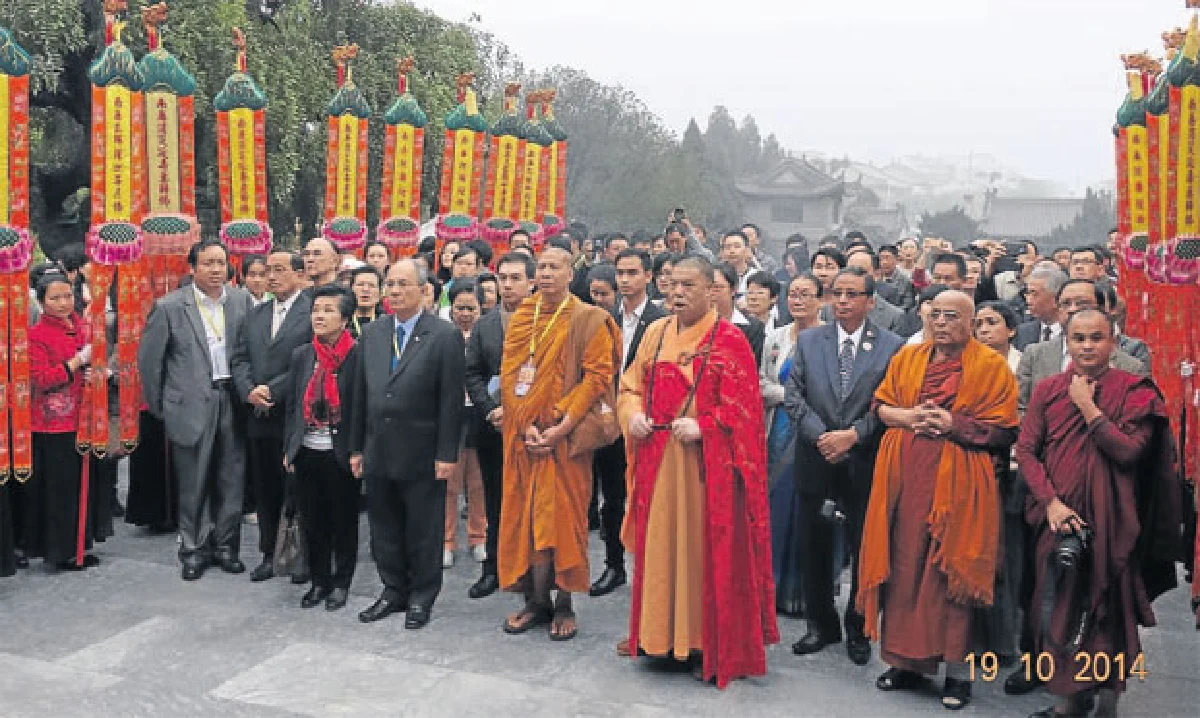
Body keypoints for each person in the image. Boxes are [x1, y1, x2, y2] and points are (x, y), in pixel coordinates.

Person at [616, 254, 779, 687]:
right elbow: (629, 387)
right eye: (673, 284)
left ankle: (700, 642)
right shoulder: (655, 333)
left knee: (698, 553)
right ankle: (658, 637)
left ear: (712, 291)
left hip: (705, 470)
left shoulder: (730, 340)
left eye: (688, 286)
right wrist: (633, 415)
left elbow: (745, 411)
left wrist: (705, 426)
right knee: (659, 549)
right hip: (657, 460)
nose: (678, 293)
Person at [859, 290, 1019, 711]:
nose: (942, 323)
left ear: (970, 323)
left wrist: (953, 424)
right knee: (904, 567)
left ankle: (958, 675)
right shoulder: (909, 358)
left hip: (961, 486)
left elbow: (1004, 431)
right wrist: (908, 417)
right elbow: (881, 407)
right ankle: (904, 663)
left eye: (952, 316)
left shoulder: (990, 368)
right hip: (906, 479)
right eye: (935, 315)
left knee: (952, 574)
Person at [1016, 309, 1179, 718]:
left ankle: (1108, 703)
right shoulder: (1048, 389)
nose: (1087, 347)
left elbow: (1128, 452)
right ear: (1067, 342)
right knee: (1057, 609)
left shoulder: (1134, 391)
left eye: (1096, 338)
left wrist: (1088, 408)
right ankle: (1069, 703)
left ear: (1113, 343)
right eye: (1079, 338)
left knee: (1109, 612)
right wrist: (1051, 503)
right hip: (1058, 520)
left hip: (1112, 523)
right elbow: (1027, 451)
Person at [497, 243, 618, 641]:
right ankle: (535, 601)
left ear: (570, 274)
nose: (546, 274)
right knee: (526, 521)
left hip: (566, 441)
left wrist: (561, 425)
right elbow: (510, 375)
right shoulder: (523, 316)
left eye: (554, 267)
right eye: (542, 267)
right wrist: (525, 423)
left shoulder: (588, 319)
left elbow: (597, 377)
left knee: (564, 521)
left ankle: (564, 604)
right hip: (526, 440)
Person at [785, 267, 905, 665]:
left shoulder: (892, 346)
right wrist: (824, 437)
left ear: (870, 301)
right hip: (816, 456)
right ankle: (820, 624)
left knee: (863, 548)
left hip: (863, 459)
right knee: (814, 546)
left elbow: (891, 402)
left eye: (852, 294)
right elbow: (794, 397)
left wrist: (853, 436)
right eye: (837, 293)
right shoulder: (810, 340)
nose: (842, 301)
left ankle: (859, 628)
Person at [347, 259, 464, 628]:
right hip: (379, 448)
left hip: (423, 451)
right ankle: (393, 589)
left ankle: (422, 596)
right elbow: (360, 395)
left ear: (423, 290)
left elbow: (450, 400)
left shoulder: (443, 335)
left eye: (402, 285)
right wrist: (356, 447)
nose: (394, 292)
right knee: (384, 527)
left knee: (423, 530)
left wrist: (447, 453)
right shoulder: (373, 333)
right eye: (390, 285)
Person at [139, 238, 253, 581]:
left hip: (232, 398)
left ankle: (226, 546)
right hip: (189, 404)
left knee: (232, 477)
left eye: (221, 263)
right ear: (192, 268)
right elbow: (150, 363)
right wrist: (162, 407)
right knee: (194, 480)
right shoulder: (170, 307)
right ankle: (193, 549)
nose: (216, 270)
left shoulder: (241, 300)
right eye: (208, 263)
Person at [590, 249, 668, 598]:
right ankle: (614, 565)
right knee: (611, 497)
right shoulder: (604, 318)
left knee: (648, 498)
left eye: (632, 272)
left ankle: (652, 571)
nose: (624, 279)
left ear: (648, 276)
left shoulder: (661, 321)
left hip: (646, 421)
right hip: (609, 421)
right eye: (620, 273)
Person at [231, 249, 312, 583]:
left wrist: (274, 391)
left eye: (280, 270)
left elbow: (309, 360)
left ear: (299, 274)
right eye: (268, 270)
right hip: (258, 414)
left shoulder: (311, 311)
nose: (272, 277)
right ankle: (269, 552)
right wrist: (249, 390)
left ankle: (302, 556)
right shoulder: (255, 314)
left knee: (299, 488)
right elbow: (239, 358)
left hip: (293, 413)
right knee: (265, 487)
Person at [282, 284, 360, 611]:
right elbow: (292, 406)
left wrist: (358, 450)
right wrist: (290, 448)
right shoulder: (303, 355)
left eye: (328, 310)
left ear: (345, 319)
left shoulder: (357, 356)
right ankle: (319, 581)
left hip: (340, 453)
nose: (319, 316)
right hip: (307, 450)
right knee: (312, 521)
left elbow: (362, 408)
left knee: (343, 522)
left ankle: (341, 583)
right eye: (316, 310)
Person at [463, 252, 535, 599]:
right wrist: (490, 409)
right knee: (494, 499)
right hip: (494, 426)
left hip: (535, 427)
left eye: (515, 278)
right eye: (502, 278)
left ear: (531, 282)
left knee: (532, 501)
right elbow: (472, 373)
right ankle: (493, 567)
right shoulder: (486, 324)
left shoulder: (546, 320)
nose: (507, 285)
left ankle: (532, 569)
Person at [23, 274, 104, 570]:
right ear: (41, 301)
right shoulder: (36, 335)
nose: (63, 303)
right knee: (59, 490)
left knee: (82, 485)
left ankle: (79, 545)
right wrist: (77, 362)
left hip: (85, 417)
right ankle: (59, 551)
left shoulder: (83, 327)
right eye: (54, 298)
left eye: (67, 296)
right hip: (53, 424)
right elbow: (41, 379)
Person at [762, 273, 824, 616]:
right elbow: (761, 382)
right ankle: (770, 588)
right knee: (776, 508)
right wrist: (789, 396)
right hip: (778, 429)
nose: (798, 300)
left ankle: (802, 592)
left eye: (805, 295)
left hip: (812, 432)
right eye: (793, 294)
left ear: (821, 299)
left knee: (806, 511)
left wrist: (800, 403)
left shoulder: (828, 338)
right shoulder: (775, 337)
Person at [442, 280, 487, 568]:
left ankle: (478, 537)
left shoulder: (487, 336)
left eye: (471, 308)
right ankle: (446, 541)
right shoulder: (442, 336)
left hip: (480, 415)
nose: (465, 314)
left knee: (478, 483)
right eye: (460, 308)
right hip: (451, 417)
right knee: (449, 484)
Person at [712, 262, 765, 365]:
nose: (711, 293)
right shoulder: (695, 324)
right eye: (708, 287)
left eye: (717, 287)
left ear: (733, 290)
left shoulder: (753, 328)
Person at [1014, 265, 1069, 350]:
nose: (1028, 299)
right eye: (1027, 293)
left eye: (1034, 293)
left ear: (1057, 298)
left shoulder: (1072, 332)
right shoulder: (1022, 332)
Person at [975, 301, 1021, 372]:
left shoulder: (1024, 363)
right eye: (978, 325)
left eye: (992, 323)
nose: (983, 330)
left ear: (1011, 330)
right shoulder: (967, 365)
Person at [348, 265, 383, 339]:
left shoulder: (388, 324)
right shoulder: (341, 323)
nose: (365, 289)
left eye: (371, 285)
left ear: (380, 293)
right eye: (360, 285)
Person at [878, 244, 915, 310]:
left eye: (888, 258)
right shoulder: (875, 278)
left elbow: (907, 305)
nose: (884, 262)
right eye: (881, 258)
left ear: (896, 260)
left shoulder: (906, 281)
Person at [718, 231, 754, 298]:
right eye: (728, 247)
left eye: (737, 246)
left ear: (747, 250)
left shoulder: (756, 276)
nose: (732, 251)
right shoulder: (715, 276)